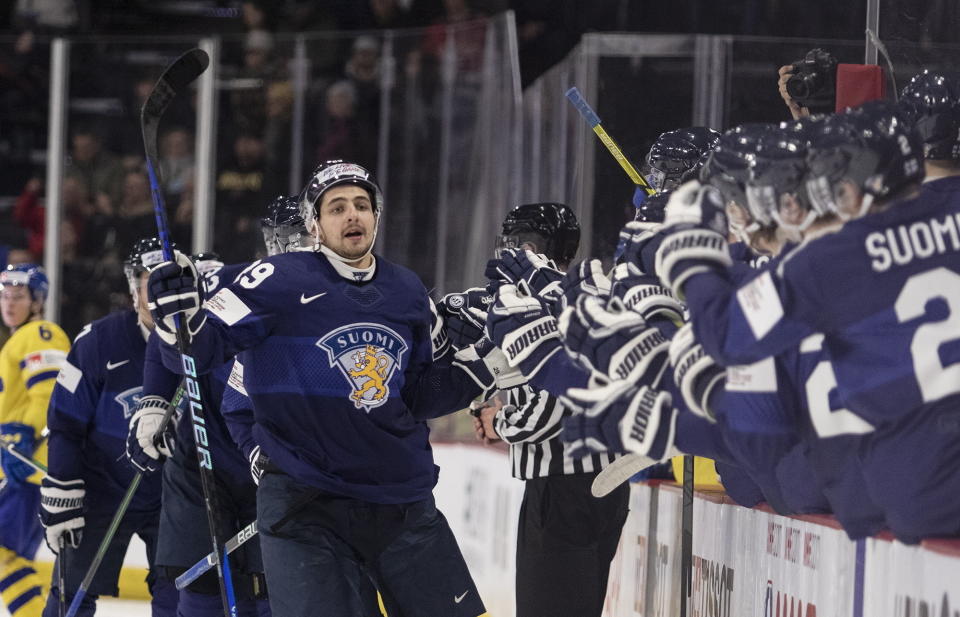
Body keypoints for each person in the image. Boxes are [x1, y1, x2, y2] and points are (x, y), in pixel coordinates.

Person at [146, 160, 489, 616]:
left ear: (376, 217)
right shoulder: (271, 281)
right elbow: (199, 351)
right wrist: (178, 319)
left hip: (401, 500)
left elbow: (418, 397)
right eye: (338, 207)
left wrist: (479, 369)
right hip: (306, 505)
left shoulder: (407, 290)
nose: (353, 216)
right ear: (315, 225)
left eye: (363, 205)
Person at [472, 203, 629, 617]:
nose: (513, 251)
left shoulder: (537, 301)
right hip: (599, 484)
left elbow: (552, 407)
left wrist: (501, 421)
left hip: (562, 488)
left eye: (523, 241)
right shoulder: (584, 296)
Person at [41, 241, 178, 617]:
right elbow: (65, 423)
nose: (159, 295)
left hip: (174, 494)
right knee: (71, 594)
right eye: (150, 285)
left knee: (181, 598)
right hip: (101, 491)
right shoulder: (98, 341)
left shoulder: (201, 342)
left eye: (168, 283)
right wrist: (63, 484)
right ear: (134, 293)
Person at [0, 264, 69, 617]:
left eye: (19, 296)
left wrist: (22, 435)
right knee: (11, 559)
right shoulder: (15, 341)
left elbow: (50, 395)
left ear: (37, 301)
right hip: (17, 469)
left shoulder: (41, 332)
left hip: (28, 467)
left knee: (5, 556)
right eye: (5, 296)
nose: (9, 303)